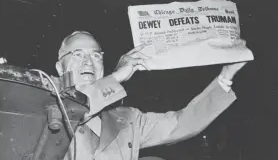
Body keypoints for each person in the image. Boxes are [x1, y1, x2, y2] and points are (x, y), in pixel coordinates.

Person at [54, 31, 246, 160]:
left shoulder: (127, 119)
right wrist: (116, 77)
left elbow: (180, 123)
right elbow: (72, 111)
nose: (88, 62)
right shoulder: (44, 102)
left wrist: (226, 74)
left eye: (96, 55)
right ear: (59, 67)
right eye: (77, 55)